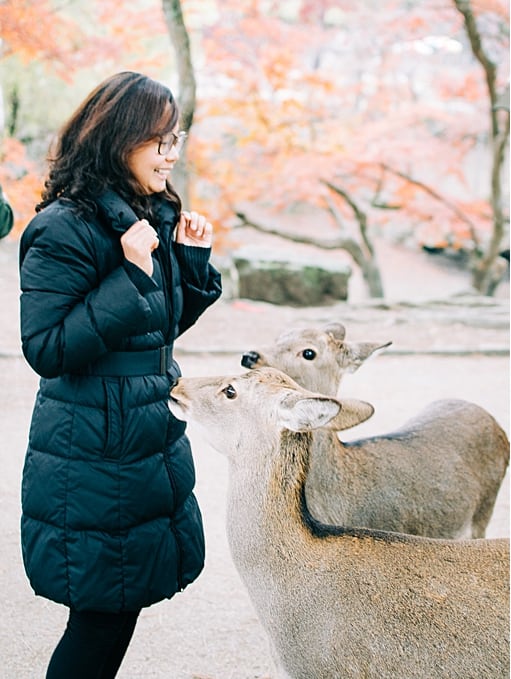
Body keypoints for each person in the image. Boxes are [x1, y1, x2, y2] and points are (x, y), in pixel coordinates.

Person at [18, 71, 223, 678]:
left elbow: (153, 334)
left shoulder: (146, 215)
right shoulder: (63, 226)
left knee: (117, 608)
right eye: (161, 140)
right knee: (101, 615)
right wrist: (130, 275)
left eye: (177, 138)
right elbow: (47, 348)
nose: (173, 154)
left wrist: (188, 262)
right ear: (119, 137)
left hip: (143, 431)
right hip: (92, 444)